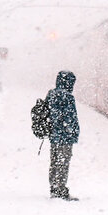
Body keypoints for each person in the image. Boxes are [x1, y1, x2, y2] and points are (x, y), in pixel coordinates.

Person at [46, 70, 80, 200]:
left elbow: (51, 114)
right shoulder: (67, 97)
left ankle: (54, 187)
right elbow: (69, 118)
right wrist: (72, 131)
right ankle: (60, 190)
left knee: (55, 162)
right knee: (63, 162)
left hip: (54, 136)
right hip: (64, 137)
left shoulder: (51, 94)